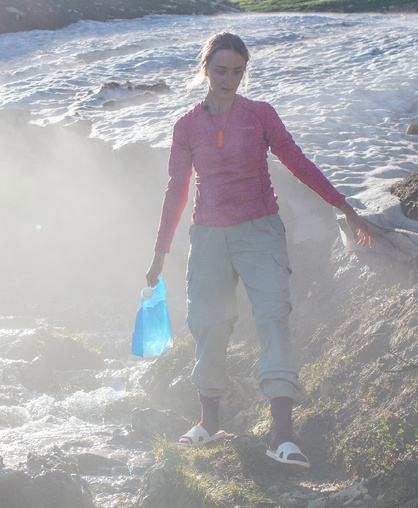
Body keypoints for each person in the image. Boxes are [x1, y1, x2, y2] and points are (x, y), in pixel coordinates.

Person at [145, 30, 373, 468]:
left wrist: (344, 207)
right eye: (219, 71)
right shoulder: (186, 126)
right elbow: (176, 190)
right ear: (205, 69)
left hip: (261, 231)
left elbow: (298, 161)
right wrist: (160, 252)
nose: (228, 80)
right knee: (209, 323)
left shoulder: (260, 116)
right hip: (209, 235)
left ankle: (283, 437)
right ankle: (209, 423)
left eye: (237, 72)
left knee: (273, 318)